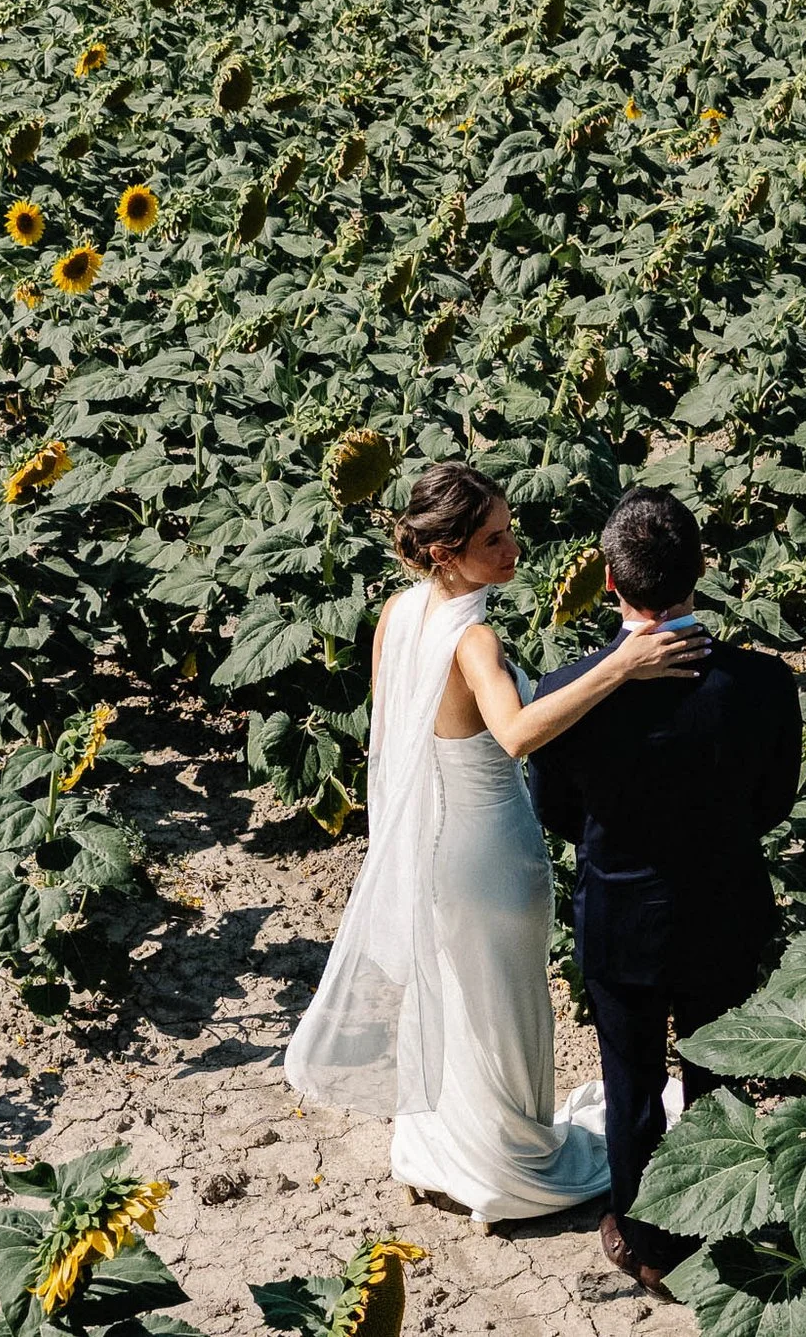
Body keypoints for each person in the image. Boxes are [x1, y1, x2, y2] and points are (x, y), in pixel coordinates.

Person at [285, 461, 712, 1232]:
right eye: (494, 537)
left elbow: (394, 734)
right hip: (490, 850)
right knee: (509, 1012)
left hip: (434, 845)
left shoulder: (398, 613)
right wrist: (622, 662)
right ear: (446, 550)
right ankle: (512, 1167)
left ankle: (447, 1149)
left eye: (510, 528)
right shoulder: (474, 640)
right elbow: (515, 734)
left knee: (457, 1002)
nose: (514, 547)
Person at [529, 486, 802, 1298]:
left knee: (632, 1081)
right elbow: (774, 800)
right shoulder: (762, 683)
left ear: (609, 583)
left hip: (622, 911)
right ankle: (723, 1219)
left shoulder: (566, 694)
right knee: (719, 1075)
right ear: (702, 570)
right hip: (726, 906)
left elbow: (557, 812)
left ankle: (645, 1239)